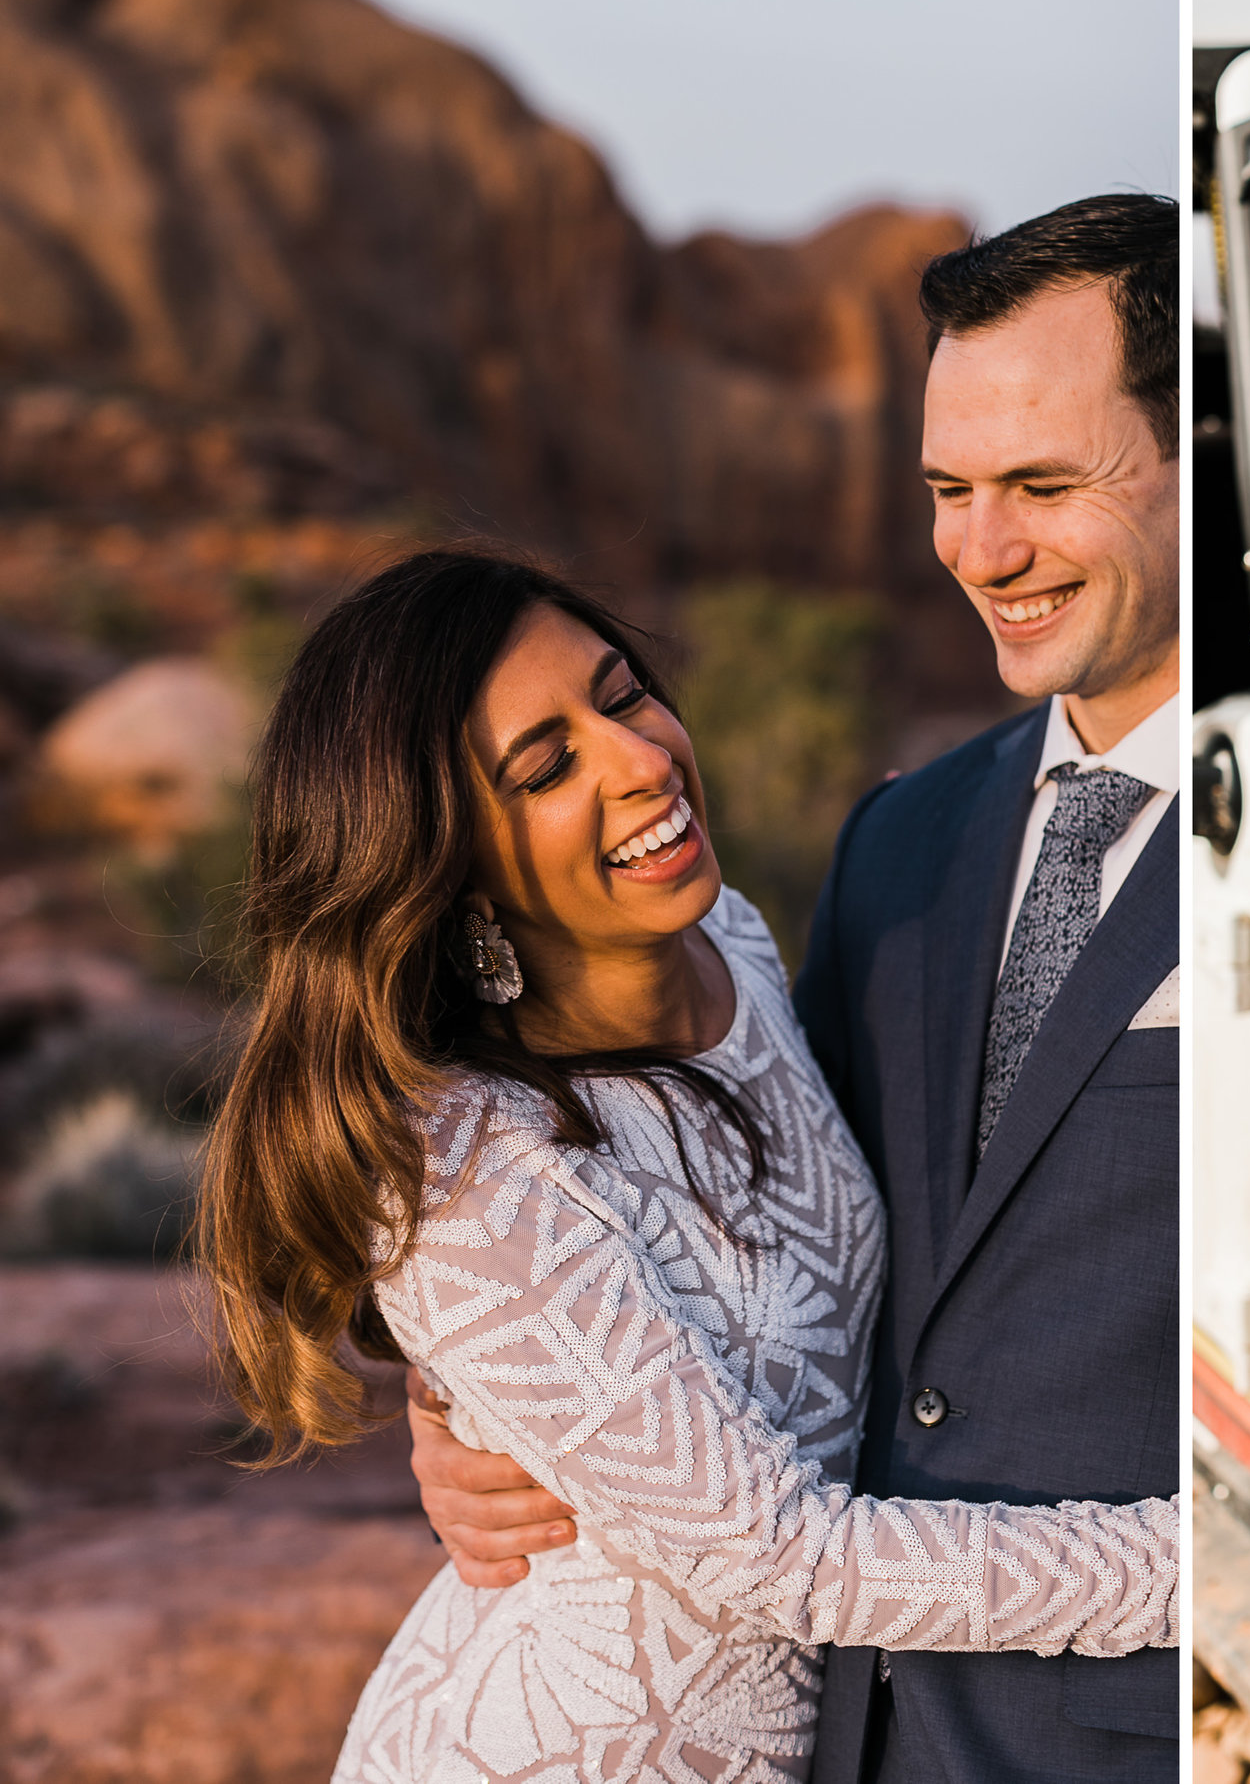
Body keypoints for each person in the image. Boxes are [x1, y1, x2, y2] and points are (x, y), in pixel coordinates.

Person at [404, 192, 1185, 1782]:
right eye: (950, 489)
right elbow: (696, 1196)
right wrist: (471, 1382)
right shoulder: (898, 846)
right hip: (823, 1725)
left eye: (1041, 483)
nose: (982, 548)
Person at [194, 547, 1178, 1784]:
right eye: (545, 768)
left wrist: (479, 1397)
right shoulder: (468, 1172)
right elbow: (776, 1554)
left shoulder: (730, 937)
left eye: (620, 696)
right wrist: (1199, 1566)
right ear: (447, 868)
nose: (642, 761)